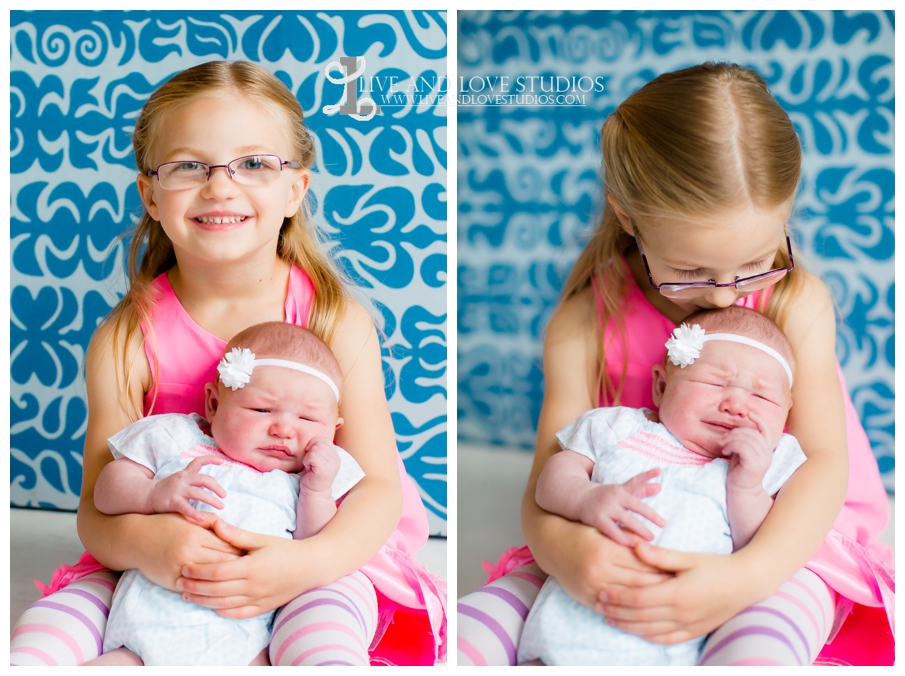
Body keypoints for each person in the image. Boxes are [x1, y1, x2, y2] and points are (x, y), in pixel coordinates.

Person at [10, 60, 445, 667]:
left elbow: (378, 487)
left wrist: (298, 567)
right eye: (189, 166)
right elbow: (96, 509)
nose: (219, 186)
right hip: (166, 547)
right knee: (56, 621)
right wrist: (151, 542)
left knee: (317, 632)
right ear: (150, 194)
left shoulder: (331, 318)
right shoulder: (126, 338)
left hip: (316, 546)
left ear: (296, 188)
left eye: (255, 164)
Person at [457, 62, 893, 666]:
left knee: (764, 638)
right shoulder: (584, 324)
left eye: (755, 261)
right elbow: (547, 484)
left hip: (782, 535)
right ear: (629, 217)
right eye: (690, 270)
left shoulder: (796, 302)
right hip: (614, 528)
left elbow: (824, 463)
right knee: (482, 623)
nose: (723, 295)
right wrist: (572, 558)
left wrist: (744, 578)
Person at [518, 307, 808, 665]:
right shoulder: (619, 428)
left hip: (677, 630)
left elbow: (755, 544)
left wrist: (747, 488)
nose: (736, 405)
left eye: (761, 398)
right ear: (661, 386)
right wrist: (585, 497)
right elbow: (552, 478)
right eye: (716, 383)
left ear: (786, 413)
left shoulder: (764, 466)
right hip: (578, 610)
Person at [86, 323, 366, 665]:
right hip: (148, 623)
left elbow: (313, 541)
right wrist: (152, 493)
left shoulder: (305, 479)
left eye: (308, 418)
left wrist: (317, 490)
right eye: (262, 410)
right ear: (214, 405)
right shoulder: (179, 441)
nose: (284, 429)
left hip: (245, 636)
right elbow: (105, 491)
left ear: (333, 430)